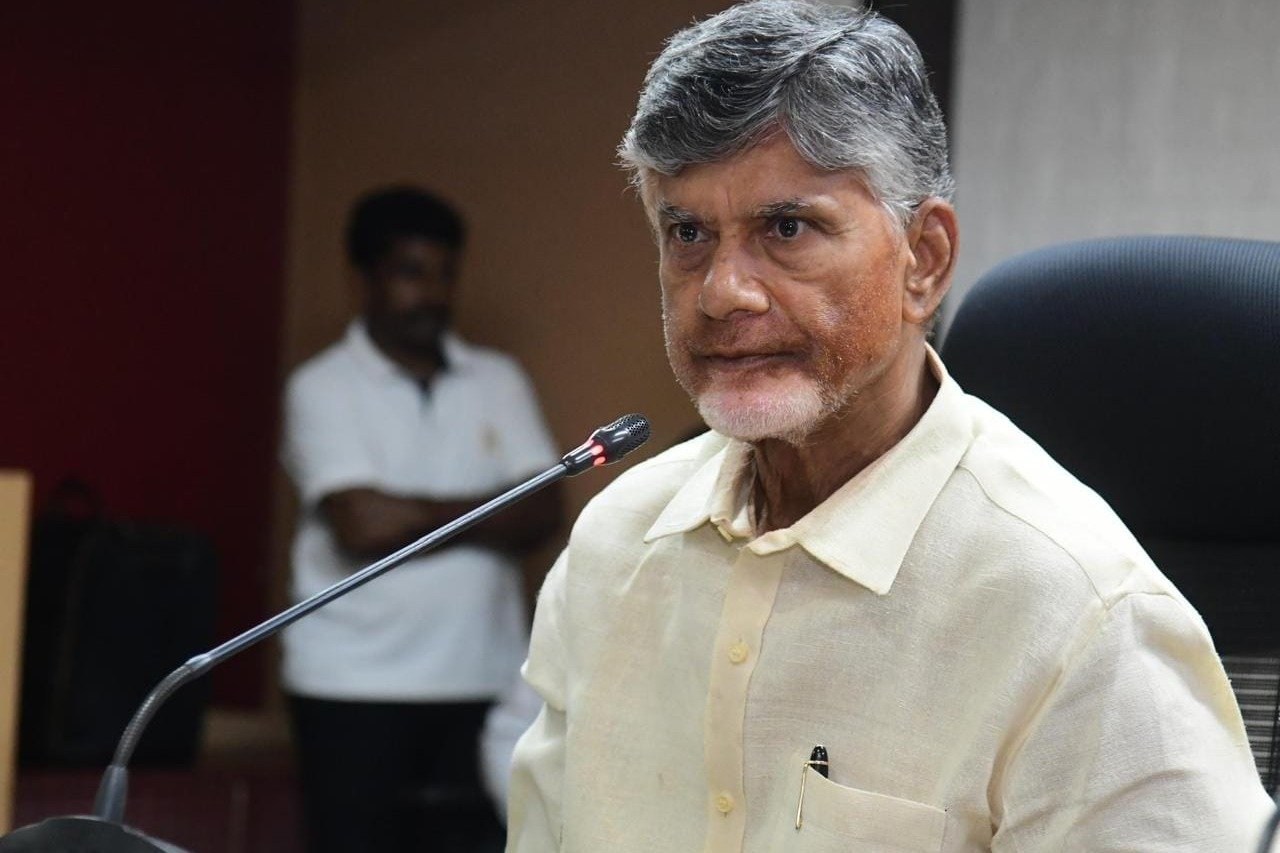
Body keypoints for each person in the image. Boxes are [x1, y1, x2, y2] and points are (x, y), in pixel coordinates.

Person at [506, 2, 1273, 851]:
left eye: (785, 227)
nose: (722, 290)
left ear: (926, 258)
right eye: (686, 232)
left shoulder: (1074, 610)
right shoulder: (615, 543)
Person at [281, 186, 562, 852]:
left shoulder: (498, 378)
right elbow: (361, 527)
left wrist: (412, 510)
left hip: (486, 680)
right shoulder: (320, 386)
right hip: (350, 685)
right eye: (411, 272)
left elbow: (545, 510)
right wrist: (492, 502)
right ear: (364, 278)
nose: (433, 293)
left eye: (444, 273)